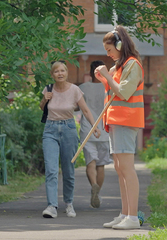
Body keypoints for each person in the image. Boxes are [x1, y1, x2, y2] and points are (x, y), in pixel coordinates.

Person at [94, 25, 144, 229]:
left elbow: (123, 93)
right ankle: (125, 214)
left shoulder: (133, 65)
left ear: (120, 45)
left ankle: (132, 217)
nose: (108, 54)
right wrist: (105, 77)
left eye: (109, 50)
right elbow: (113, 90)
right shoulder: (122, 66)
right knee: (119, 168)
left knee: (127, 169)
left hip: (126, 120)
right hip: (115, 121)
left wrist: (106, 76)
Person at [40, 61, 101, 219]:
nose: (59, 74)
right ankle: (52, 206)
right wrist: (44, 99)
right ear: (52, 74)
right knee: (51, 170)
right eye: (56, 71)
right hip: (50, 130)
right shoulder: (48, 89)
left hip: (68, 130)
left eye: (62, 71)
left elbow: (85, 110)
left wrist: (94, 127)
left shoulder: (75, 90)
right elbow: (42, 108)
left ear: (67, 73)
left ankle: (69, 204)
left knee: (68, 170)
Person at [78, 60, 113, 209]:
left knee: (90, 163)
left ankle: (93, 185)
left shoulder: (82, 88)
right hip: (105, 131)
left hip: (88, 130)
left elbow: (76, 107)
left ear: (91, 72)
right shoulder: (109, 88)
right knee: (101, 165)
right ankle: (97, 192)